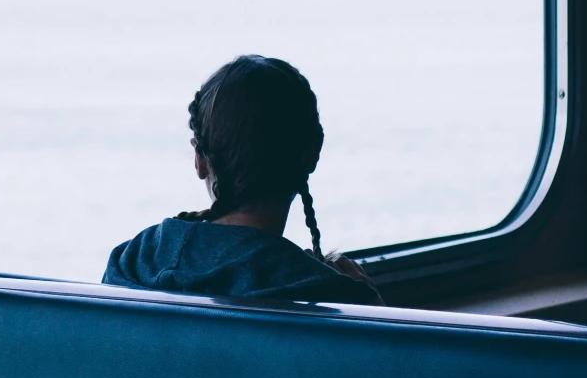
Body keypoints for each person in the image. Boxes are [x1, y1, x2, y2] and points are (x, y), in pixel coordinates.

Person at [105, 54, 381, 302]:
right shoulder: (331, 294)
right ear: (312, 154)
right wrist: (364, 297)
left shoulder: (131, 261)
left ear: (200, 161)